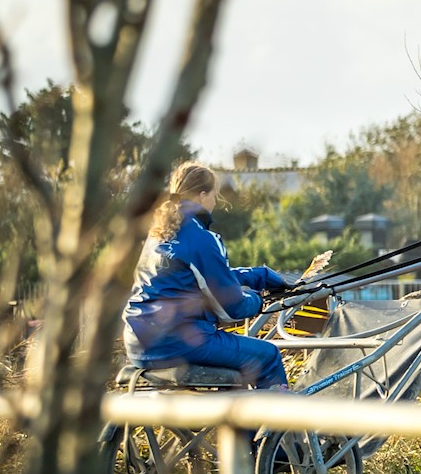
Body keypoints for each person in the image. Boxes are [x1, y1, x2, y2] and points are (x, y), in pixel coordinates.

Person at [122, 161, 298, 389]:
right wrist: (258, 299)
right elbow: (232, 308)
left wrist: (257, 275)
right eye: (215, 195)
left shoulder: (158, 233)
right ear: (203, 195)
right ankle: (278, 424)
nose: (215, 202)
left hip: (138, 343)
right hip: (178, 344)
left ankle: (243, 421)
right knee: (269, 355)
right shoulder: (202, 237)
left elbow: (193, 280)